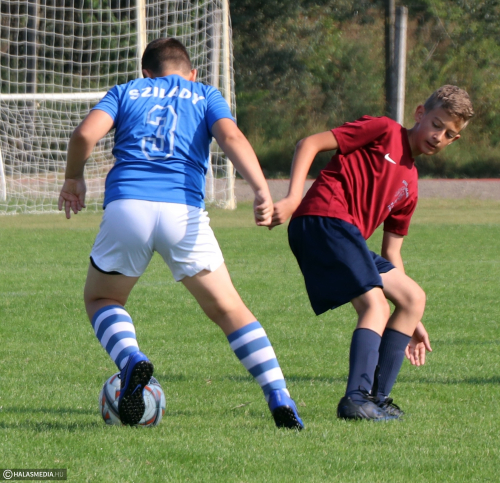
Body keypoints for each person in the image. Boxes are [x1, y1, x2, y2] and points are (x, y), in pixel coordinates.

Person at [58, 38, 303, 430]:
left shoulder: (126, 91)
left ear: (146, 73)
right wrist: (261, 190)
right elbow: (232, 138)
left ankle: (131, 358)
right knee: (230, 310)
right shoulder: (205, 94)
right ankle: (278, 395)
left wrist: (74, 179)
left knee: (102, 298)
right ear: (192, 73)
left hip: (128, 208)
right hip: (183, 213)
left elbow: (84, 135)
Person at [269, 85, 474, 420]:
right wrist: (293, 198)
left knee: (412, 298)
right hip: (323, 219)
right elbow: (309, 143)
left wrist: (412, 321)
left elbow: (391, 251)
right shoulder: (384, 130)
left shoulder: (411, 184)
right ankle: (355, 398)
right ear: (420, 114)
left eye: (449, 134)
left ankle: (377, 399)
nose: (439, 136)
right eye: (437, 124)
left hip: (345, 234)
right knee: (375, 305)